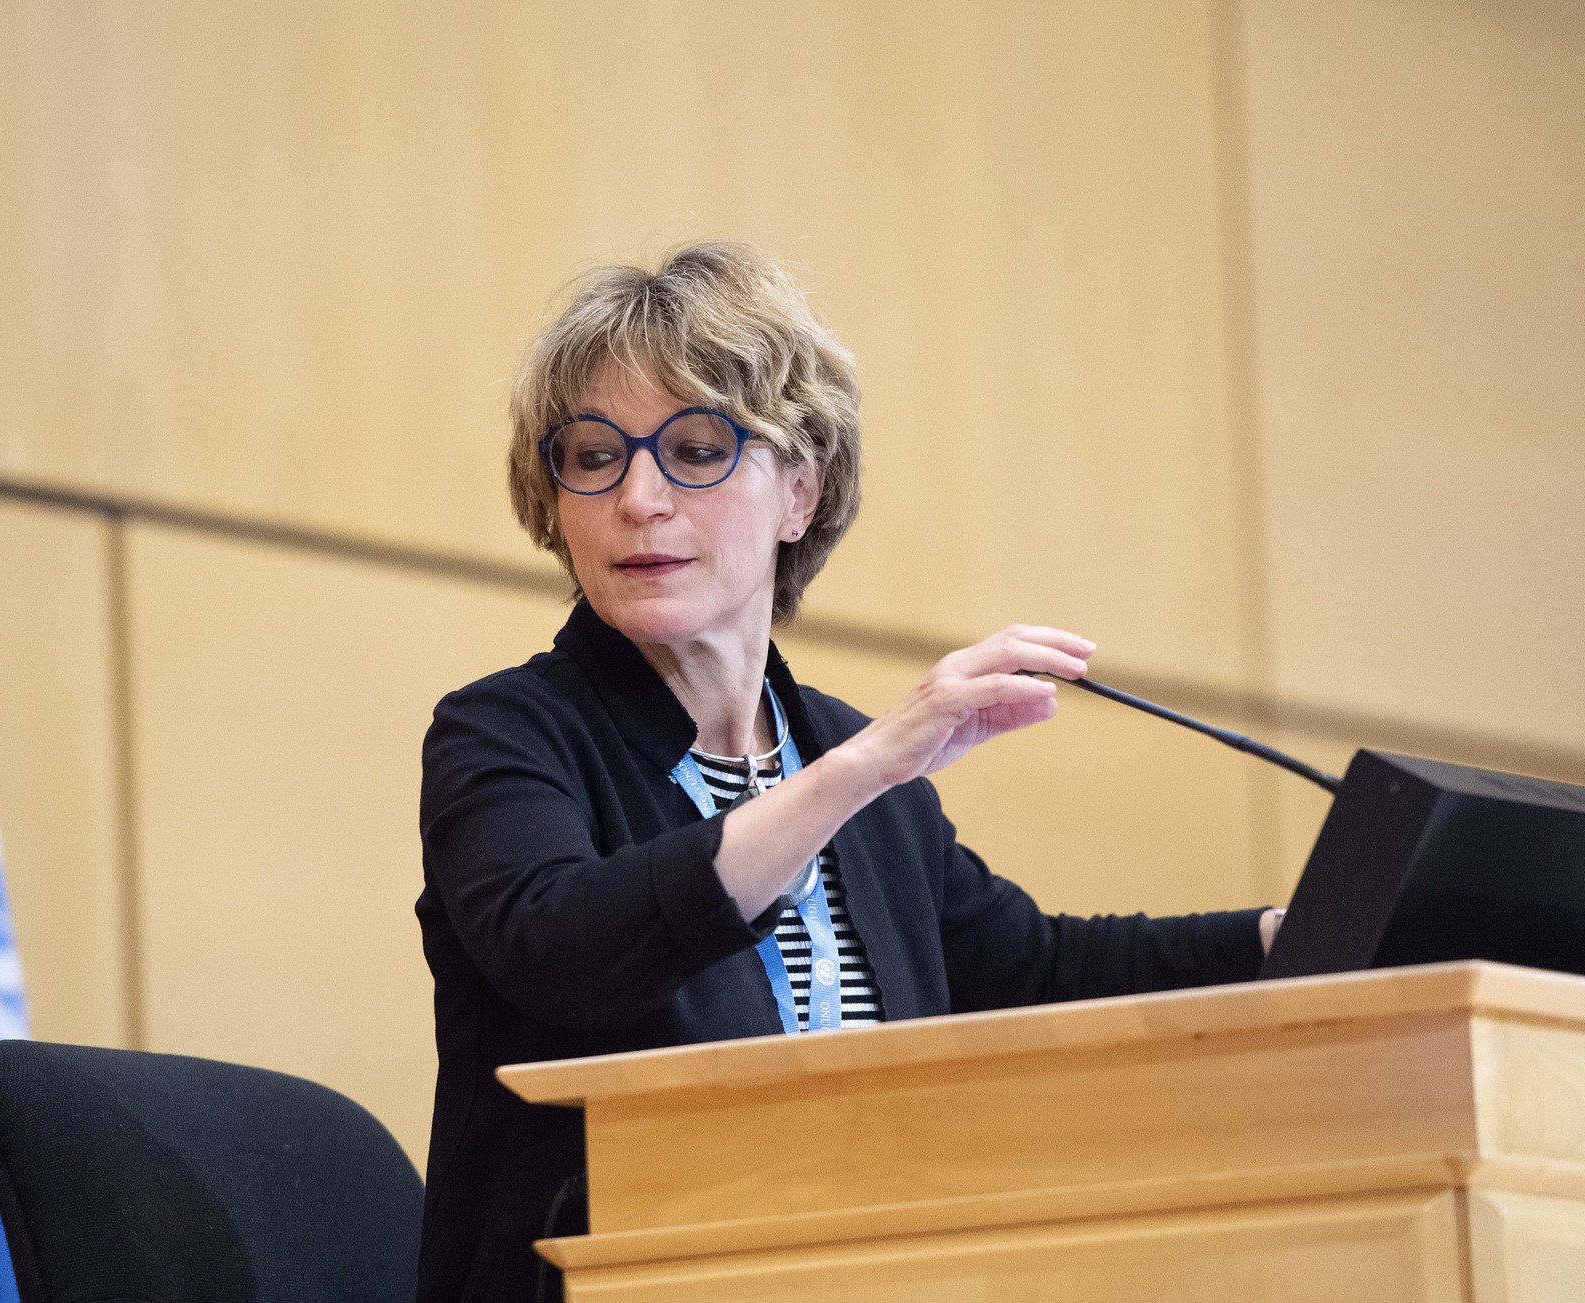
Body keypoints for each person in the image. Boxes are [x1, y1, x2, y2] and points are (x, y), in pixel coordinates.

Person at [413, 242, 1278, 1302]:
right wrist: (861, 770)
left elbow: (1031, 974)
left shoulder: (852, 766)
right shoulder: (511, 733)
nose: (638, 496)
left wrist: (1302, 934)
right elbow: (563, 948)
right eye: (593, 456)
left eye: (693, 448)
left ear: (799, 489)